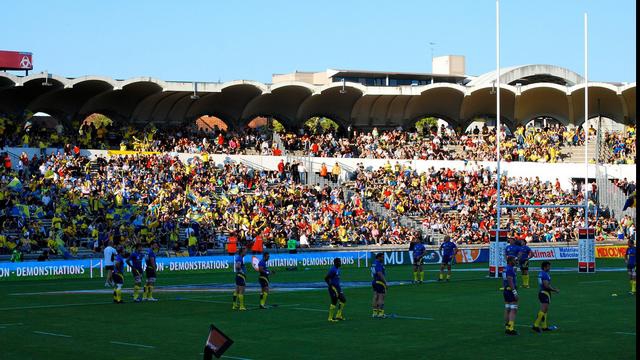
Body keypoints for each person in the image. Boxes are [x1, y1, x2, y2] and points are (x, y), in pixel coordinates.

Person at [532, 261, 559, 333]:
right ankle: (535, 325)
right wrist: (554, 290)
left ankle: (544, 326)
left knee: (545, 310)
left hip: (543, 292)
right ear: (545, 267)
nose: (550, 268)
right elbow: (546, 285)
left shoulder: (541, 273)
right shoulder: (545, 274)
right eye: (548, 266)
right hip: (544, 293)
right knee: (543, 310)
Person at [325, 258, 346, 322]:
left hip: (338, 287)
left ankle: (338, 315)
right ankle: (330, 318)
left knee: (343, 299)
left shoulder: (338, 269)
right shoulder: (333, 270)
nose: (340, 263)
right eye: (339, 262)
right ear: (336, 263)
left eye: (340, 262)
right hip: (333, 287)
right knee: (334, 301)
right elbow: (326, 278)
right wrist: (330, 285)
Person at [503, 256, 519, 335]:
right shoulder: (509, 269)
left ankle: (507, 327)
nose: (515, 261)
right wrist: (514, 292)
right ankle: (511, 328)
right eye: (514, 260)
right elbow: (510, 280)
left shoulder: (506, 268)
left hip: (506, 290)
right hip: (510, 291)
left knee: (507, 308)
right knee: (514, 309)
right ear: (510, 261)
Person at [371, 252, 387, 318]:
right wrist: (385, 282)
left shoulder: (373, 263)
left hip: (374, 281)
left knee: (375, 296)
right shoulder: (378, 264)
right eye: (382, 257)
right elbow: (380, 273)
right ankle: (381, 313)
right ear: (379, 257)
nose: (383, 258)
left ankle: (374, 313)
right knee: (381, 297)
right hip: (380, 282)